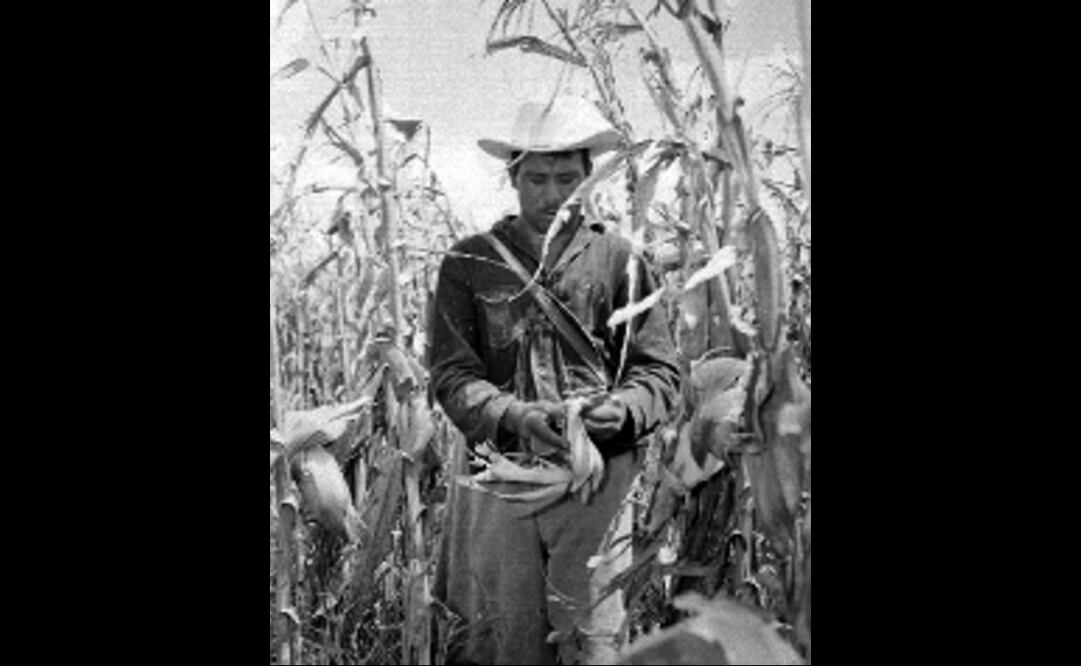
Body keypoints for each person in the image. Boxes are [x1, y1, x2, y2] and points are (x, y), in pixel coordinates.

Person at [429, 96, 680, 665]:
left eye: (567, 179)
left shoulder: (622, 261)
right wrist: (514, 416)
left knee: (593, 640)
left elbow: (660, 371)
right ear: (513, 178)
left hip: (597, 480)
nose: (552, 195)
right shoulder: (469, 264)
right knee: (504, 638)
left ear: (587, 178)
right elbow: (452, 373)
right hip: (503, 476)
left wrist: (625, 409)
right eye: (537, 179)